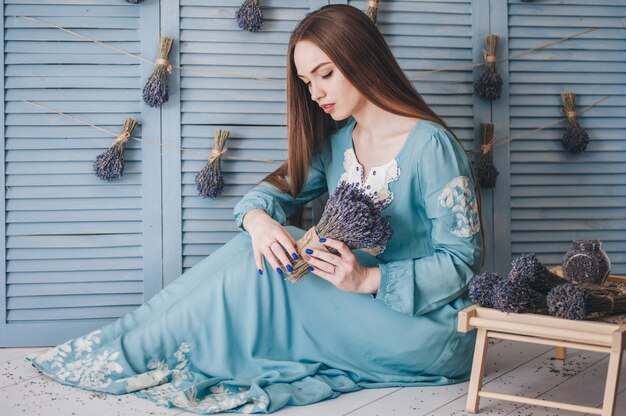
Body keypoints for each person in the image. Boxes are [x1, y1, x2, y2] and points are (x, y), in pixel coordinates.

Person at [26, 4, 483, 414]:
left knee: (262, 270)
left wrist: (367, 279)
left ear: (362, 59)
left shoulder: (430, 145)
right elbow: (266, 195)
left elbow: (463, 262)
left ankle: (128, 350)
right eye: (307, 82)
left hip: (426, 329)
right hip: (356, 310)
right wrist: (258, 220)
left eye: (325, 74)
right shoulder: (337, 143)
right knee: (258, 247)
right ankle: (124, 345)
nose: (316, 93)